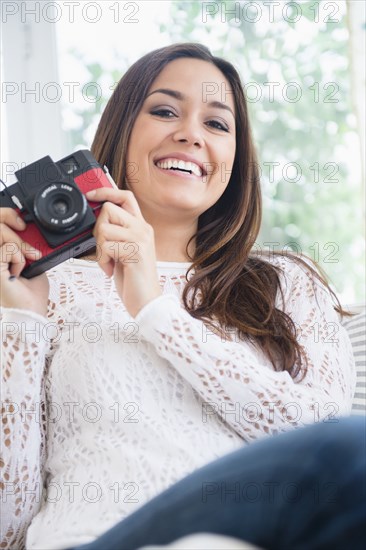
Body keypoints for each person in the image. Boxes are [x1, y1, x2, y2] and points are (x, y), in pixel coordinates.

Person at [0, 43, 357, 550]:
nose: (190, 133)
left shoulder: (287, 282)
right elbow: (7, 528)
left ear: (235, 158)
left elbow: (324, 440)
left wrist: (156, 311)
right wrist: (19, 324)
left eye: (217, 124)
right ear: (123, 132)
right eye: (165, 110)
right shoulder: (40, 291)